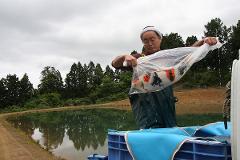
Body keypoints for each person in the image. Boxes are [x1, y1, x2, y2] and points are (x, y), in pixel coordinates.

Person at [111, 26, 217, 129]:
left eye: (153, 39)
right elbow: (115, 64)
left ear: (160, 39)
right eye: (145, 41)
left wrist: (204, 41)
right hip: (145, 106)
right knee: (149, 133)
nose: (150, 43)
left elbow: (189, 51)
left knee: (170, 130)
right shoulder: (139, 59)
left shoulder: (168, 57)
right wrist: (125, 56)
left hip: (166, 102)